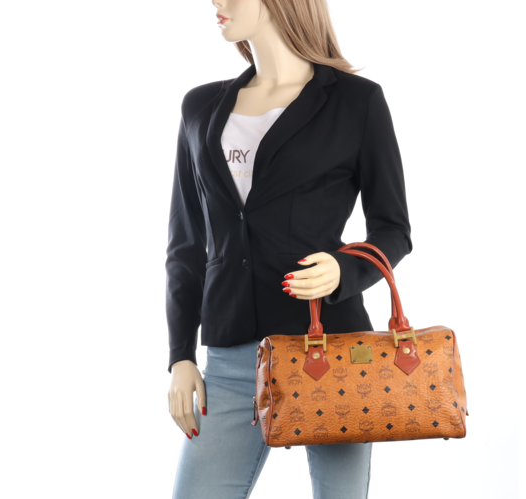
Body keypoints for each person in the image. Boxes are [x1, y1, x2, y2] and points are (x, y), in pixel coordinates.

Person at [166, 1, 412, 497]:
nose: (217, 2)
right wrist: (180, 356)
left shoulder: (356, 102)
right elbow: (187, 245)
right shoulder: (200, 106)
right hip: (232, 360)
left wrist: (343, 270)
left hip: (334, 351)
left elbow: (394, 230)